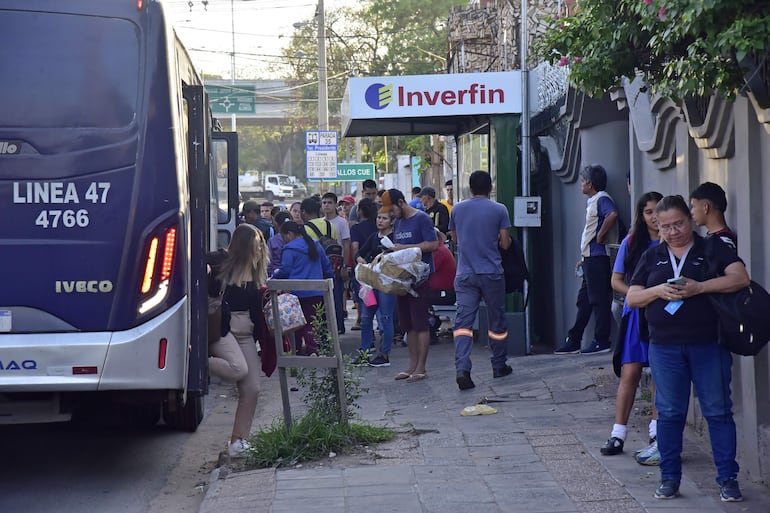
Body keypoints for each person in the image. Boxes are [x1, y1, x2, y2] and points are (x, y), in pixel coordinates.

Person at [626, 195, 749, 502]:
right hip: (664, 347)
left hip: (708, 344)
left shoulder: (712, 248)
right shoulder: (652, 257)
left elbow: (740, 278)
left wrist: (700, 287)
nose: (672, 231)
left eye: (678, 223)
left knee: (718, 411)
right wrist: (656, 291)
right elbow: (632, 298)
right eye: (664, 226)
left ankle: (727, 479)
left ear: (691, 221)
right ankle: (669, 478)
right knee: (668, 413)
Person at [600, 191, 662, 462]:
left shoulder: (672, 241)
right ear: (642, 214)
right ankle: (618, 433)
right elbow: (615, 280)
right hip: (636, 313)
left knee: (661, 373)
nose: (654, 217)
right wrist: (636, 296)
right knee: (630, 372)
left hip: (664, 315)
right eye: (648, 212)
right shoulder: (631, 241)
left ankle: (657, 432)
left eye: (658, 210)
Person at [207, 223, 269, 457]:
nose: (260, 248)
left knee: (252, 387)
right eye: (256, 244)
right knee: (237, 369)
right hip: (223, 331)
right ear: (245, 245)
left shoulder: (256, 271)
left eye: (261, 244)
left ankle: (238, 442)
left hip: (246, 335)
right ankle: (194, 364)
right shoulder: (222, 263)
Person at [447, 171, 512, 390]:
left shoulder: (457, 209)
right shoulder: (499, 209)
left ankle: (462, 368)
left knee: (463, 324)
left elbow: (455, 239)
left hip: (465, 274)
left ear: (470, 188)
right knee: (496, 321)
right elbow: (505, 244)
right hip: (491, 272)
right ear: (490, 187)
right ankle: (499, 365)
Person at [555, 164, 618, 354]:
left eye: (583, 181)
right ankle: (574, 338)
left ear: (590, 183)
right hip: (590, 257)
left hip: (598, 257)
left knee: (598, 300)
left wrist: (600, 235)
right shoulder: (594, 201)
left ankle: (601, 340)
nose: (581, 184)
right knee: (584, 300)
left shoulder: (602, 198)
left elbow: (612, 214)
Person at [381, 189, 438, 382]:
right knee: (408, 325)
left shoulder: (421, 219)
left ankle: (421, 367)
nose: (390, 215)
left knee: (421, 324)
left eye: (392, 210)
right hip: (402, 280)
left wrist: (404, 248)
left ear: (400, 202)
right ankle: (412, 365)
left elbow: (433, 244)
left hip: (420, 279)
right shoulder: (398, 223)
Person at [271, 221, 334, 355]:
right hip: (317, 292)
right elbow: (326, 266)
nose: (284, 240)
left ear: (290, 234)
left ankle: (297, 351)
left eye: (284, 237)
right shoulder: (315, 244)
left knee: (296, 324)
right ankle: (314, 350)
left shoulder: (289, 249)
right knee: (313, 323)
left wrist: (274, 276)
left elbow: (285, 270)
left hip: (297, 294)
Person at [355, 206, 398, 367]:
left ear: (392, 221)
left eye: (384, 218)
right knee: (366, 319)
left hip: (387, 283)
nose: (380, 221)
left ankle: (384, 354)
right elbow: (359, 252)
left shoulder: (395, 238)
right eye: (379, 217)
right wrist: (360, 258)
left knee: (386, 318)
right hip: (371, 283)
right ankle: (365, 352)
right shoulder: (374, 237)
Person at [321, 192, 351, 335]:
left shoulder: (341, 222)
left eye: (329, 202)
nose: (326, 205)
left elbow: (346, 244)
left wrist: (345, 266)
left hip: (337, 266)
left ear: (335, 204)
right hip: (323, 266)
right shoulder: (320, 223)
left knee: (337, 296)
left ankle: (339, 326)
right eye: (324, 202)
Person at [349, 198, 378, 332]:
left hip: (363, 268)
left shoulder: (356, 228)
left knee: (364, 299)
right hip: (379, 268)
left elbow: (355, 247)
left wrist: (357, 259)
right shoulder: (378, 225)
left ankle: (368, 335)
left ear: (360, 211)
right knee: (382, 305)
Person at [427, 228, 456, 345]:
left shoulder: (439, 252)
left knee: (417, 299)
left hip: (444, 293)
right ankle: (431, 326)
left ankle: (430, 328)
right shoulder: (440, 249)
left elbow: (426, 271)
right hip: (443, 292)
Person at [689, 182, 737, 249]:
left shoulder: (724, 241)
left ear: (705, 207)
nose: (691, 212)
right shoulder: (711, 238)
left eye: (693, 206)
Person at [266, 211, 292, 277]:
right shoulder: (295, 238)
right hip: (292, 274)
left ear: (276, 224)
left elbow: (268, 261)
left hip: (276, 275)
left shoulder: (272, 241)